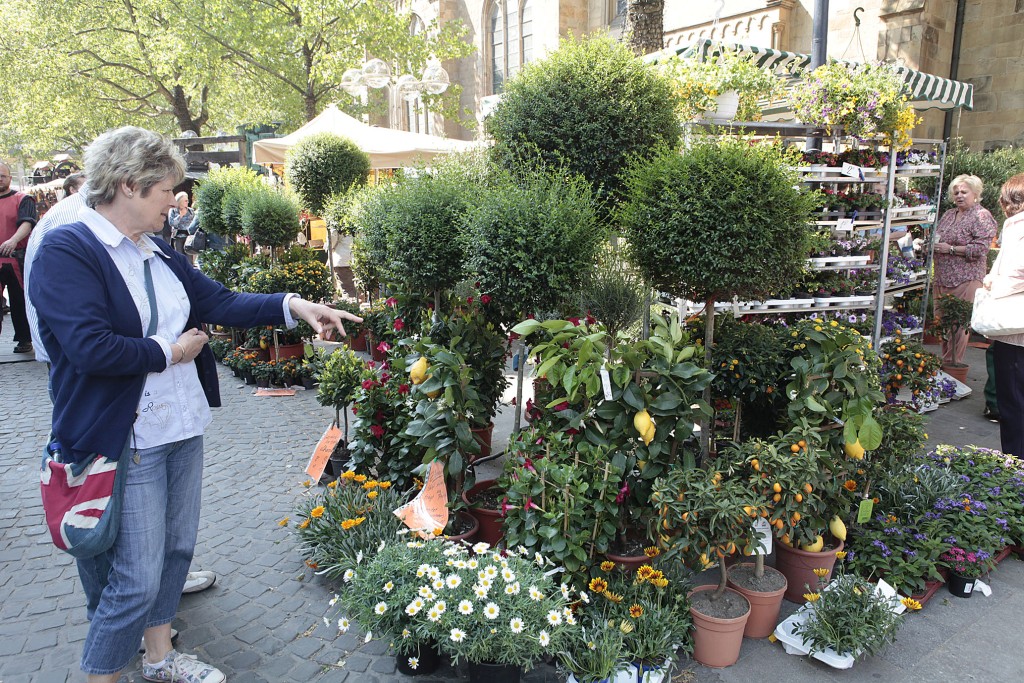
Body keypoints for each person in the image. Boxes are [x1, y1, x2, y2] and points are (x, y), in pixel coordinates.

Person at [30, 126, 361, 683]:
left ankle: (160, 658)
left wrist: (295, 304)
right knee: (134, 578)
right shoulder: (69, 250)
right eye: (166, 189)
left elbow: (218, 301)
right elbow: (89, 348)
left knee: (176, 550)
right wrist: (172, 351)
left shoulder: (155, 247)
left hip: (180, 423)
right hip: (126, 436)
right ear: (129, 184)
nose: (175, 201)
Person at [932, 174, 997, 368]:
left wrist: (950, 249)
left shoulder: (981, 215)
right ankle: (945, 363)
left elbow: (980, 249)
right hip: (942, 277)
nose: (959, 195)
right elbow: (938, 236)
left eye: (964, 192)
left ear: (975, 193)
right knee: (941, 322)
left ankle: (952, 365)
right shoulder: (949, 214)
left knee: (958, 324)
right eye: (956, 192)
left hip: (966, 278)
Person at [984, 173, 1024, 458]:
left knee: (1014, 405)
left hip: (1015, 332)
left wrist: (992, 284)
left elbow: (1016, 272)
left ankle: (1016, 469)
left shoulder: (1018, 228)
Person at [0, 160, 38, 353]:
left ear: (10, 178)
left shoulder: (23, 199)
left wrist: (13, 241)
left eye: (2, 176)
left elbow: (27, 223)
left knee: (20, 301)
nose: (0, 179)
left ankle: (25, 339)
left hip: (17, 258)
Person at [168, 191, 195, 258]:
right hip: (178, 237)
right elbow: (172, 223)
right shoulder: (173, 211)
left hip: (189, 238)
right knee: (179, 257)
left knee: (189, 259)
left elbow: (194, 223)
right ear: (180, 201)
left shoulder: (191, 211)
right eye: (185, 201)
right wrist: (180, 216)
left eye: (187, 200)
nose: (187, 202)